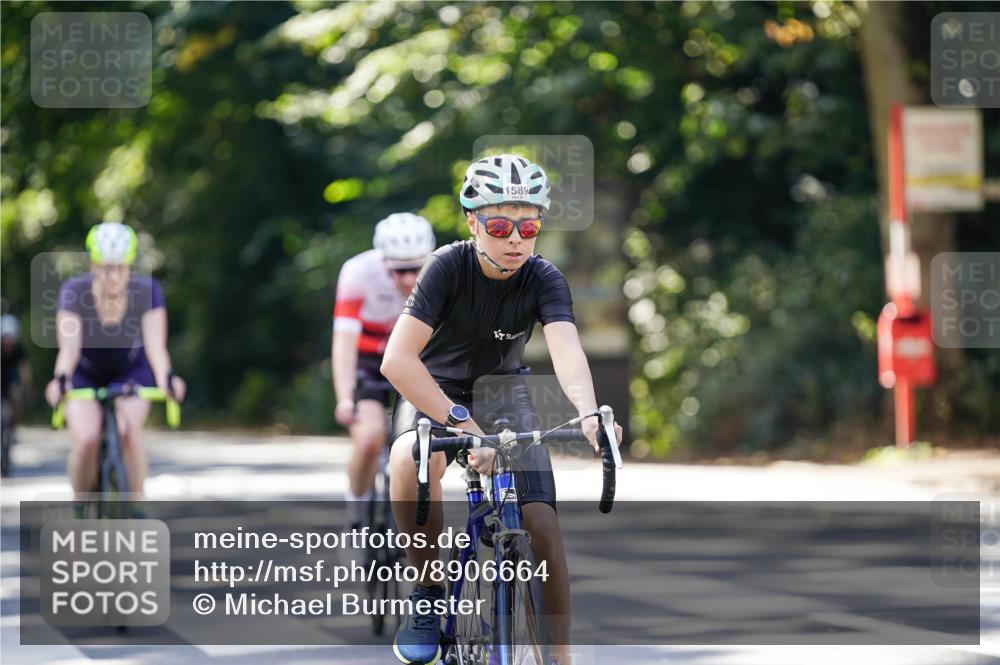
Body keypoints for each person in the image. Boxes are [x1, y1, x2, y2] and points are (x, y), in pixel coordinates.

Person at [381, 154, 623, 665]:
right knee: (410, 460)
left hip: (502, 393)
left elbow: (566, 350)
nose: (515, 238)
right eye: (499, 224)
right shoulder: (446, 266)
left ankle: (560, 659)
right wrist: (460, 423)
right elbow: (397, 362)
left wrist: (587, 413)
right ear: (473, 223)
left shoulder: (543, 278)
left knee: (543, 526)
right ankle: (427, 593)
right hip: (435, 388)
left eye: (529, 225)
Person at [43, 222, 186, 512]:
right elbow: (68, 350)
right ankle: (81, 505)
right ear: (93, 265)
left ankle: (136, 506)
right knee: (87, 439)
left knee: (128, 432)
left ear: (130, 265)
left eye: (120, 267)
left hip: (131, 372)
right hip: (85, 372)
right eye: (105, 267)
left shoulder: (147, 290)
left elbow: (156, 347)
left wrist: (167, 379)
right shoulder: (74, 291)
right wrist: (60, 380)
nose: (113, 275)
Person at [332, 213, 436, 528]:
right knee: (369, 437)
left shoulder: (443, 271)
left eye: (416, 269)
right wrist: (345, 398)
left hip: (416, 357)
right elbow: (344, 343)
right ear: (383, 261)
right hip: (368, 359)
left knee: (422, 445)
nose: (408, 279)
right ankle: (356, 514)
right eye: (399, 270)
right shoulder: (357, 273)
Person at [1, 313, 30, 476]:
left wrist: (25, 386)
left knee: (16, 398)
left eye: (11, 338)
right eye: (6, 337)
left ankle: (13, 427)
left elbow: (24, 369)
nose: (8, 341)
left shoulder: (19, 349)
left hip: (11, 382)